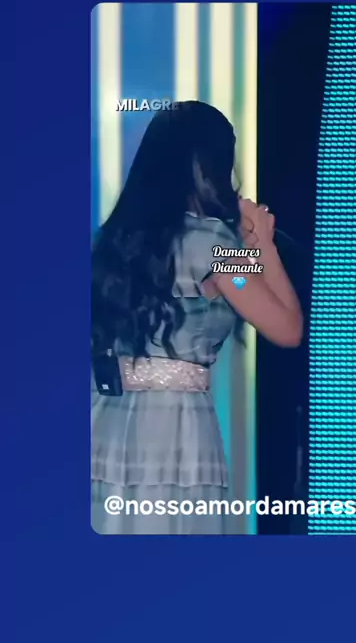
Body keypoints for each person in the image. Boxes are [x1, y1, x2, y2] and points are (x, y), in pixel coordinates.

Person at [91, 100, 303, 534]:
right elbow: (287, 328)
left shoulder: (112, 240)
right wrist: (263, 244)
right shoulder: (215, 246)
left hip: (104, 417)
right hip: (174, 428)